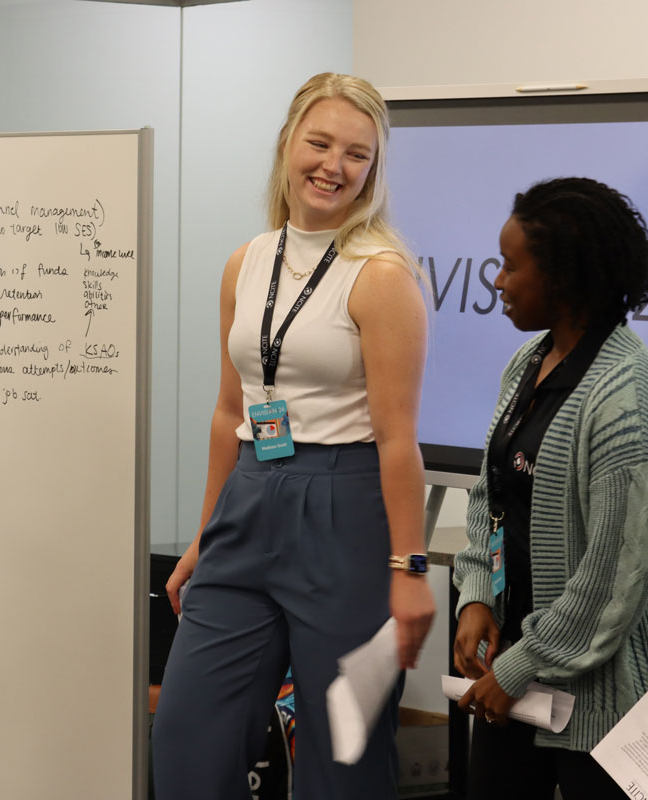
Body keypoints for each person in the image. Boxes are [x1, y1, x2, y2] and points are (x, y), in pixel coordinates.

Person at [151, 72, 435, 800]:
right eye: (319, 143)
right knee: (185, 734)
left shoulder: (380, 276)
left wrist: (409, 570)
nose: (332, 166)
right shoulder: (245, 263)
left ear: (372, 171)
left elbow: (399, 439)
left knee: (342, 754)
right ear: (288, 145)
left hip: (344, 507)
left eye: (356, 155)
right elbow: (227, 411)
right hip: (249, 496)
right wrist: (206, 534)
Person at [453, 177, 648, 799]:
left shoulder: (626, 396)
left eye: (511, 266)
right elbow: (490, 492)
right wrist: (478, 593)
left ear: (562, 278)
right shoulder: (528, 363)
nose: (498, 282)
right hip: (515, 674)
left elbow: (613, 579)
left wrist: (519, 666)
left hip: (605, 703)